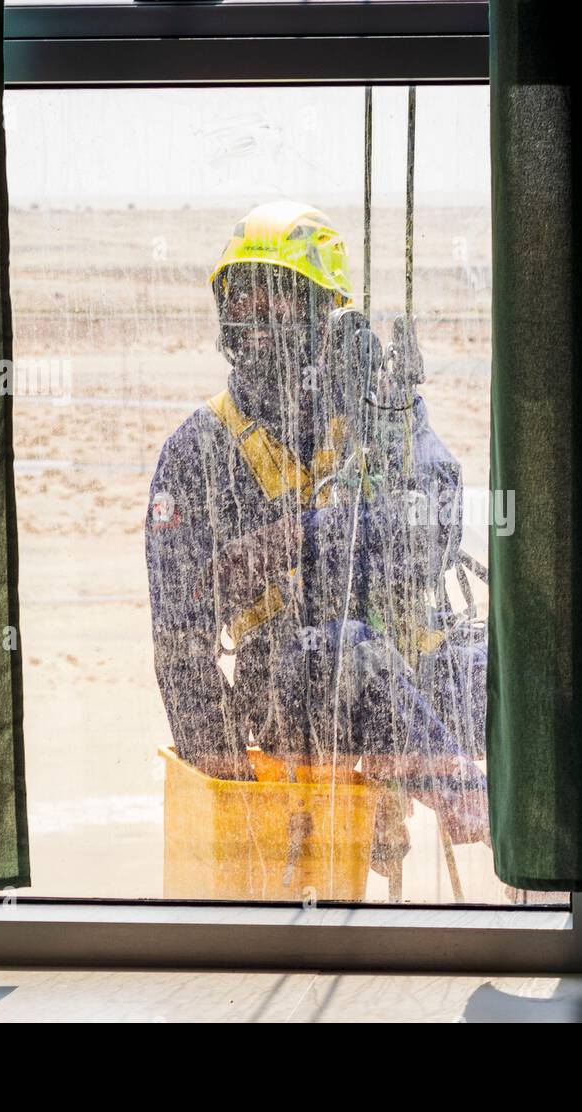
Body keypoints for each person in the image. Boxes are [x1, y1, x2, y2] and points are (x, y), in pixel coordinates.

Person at [145, 200, 489, 860]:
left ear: (320, 312)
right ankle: (464, 796)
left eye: (277, 297)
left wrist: (300, 534)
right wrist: (233, 786)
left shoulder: (375, 407)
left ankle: (572, 875)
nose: (254, 315)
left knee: (522, 671)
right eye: (240, 296)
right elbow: (179, 642)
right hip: (289, 688)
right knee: (341, 651)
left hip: (408, 654)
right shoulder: (198, 452)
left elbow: (436, 529)